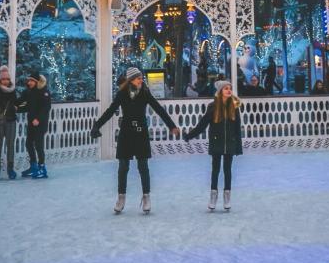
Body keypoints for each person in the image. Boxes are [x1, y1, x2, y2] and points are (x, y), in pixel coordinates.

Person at [90, 67, 180, 214]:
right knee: (123, 167)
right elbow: (110, 111)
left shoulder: (145, 93)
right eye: (138, 78)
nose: (141, 80)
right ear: (131, 80)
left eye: (141, 78)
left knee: (143, 166)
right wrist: (97, 125)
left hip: (141, 133)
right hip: (126, 133)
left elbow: (159, 109)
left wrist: (171, 126)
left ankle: (146, 197)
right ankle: (121, 198)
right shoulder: (122, 94)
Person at [183, 80, 242, 211]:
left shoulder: (234, 107)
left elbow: (237, 128)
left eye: (230, 88)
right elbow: (202, 124)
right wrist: (189, 135)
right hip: (216, 141)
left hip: (230, 143)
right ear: (220, 91)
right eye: (226, 88)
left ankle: (227, 196)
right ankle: (213, 196)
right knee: (215, 170)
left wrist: (238, 146)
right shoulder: (213, 106)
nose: (228, 90)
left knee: (227, 170)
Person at [16, 72, 51, 179]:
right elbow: (26, 106)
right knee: (28, 144)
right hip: (31, 122)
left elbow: (46, 107)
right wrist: (17, 108)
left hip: (40, 123)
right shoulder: (28, 92)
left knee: (38, 145)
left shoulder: (44, 91)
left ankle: (42, 168)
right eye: (29, 80)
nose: (29, 82)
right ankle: (33, 166)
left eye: (31, 80)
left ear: (36, 82)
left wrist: (38, 119)